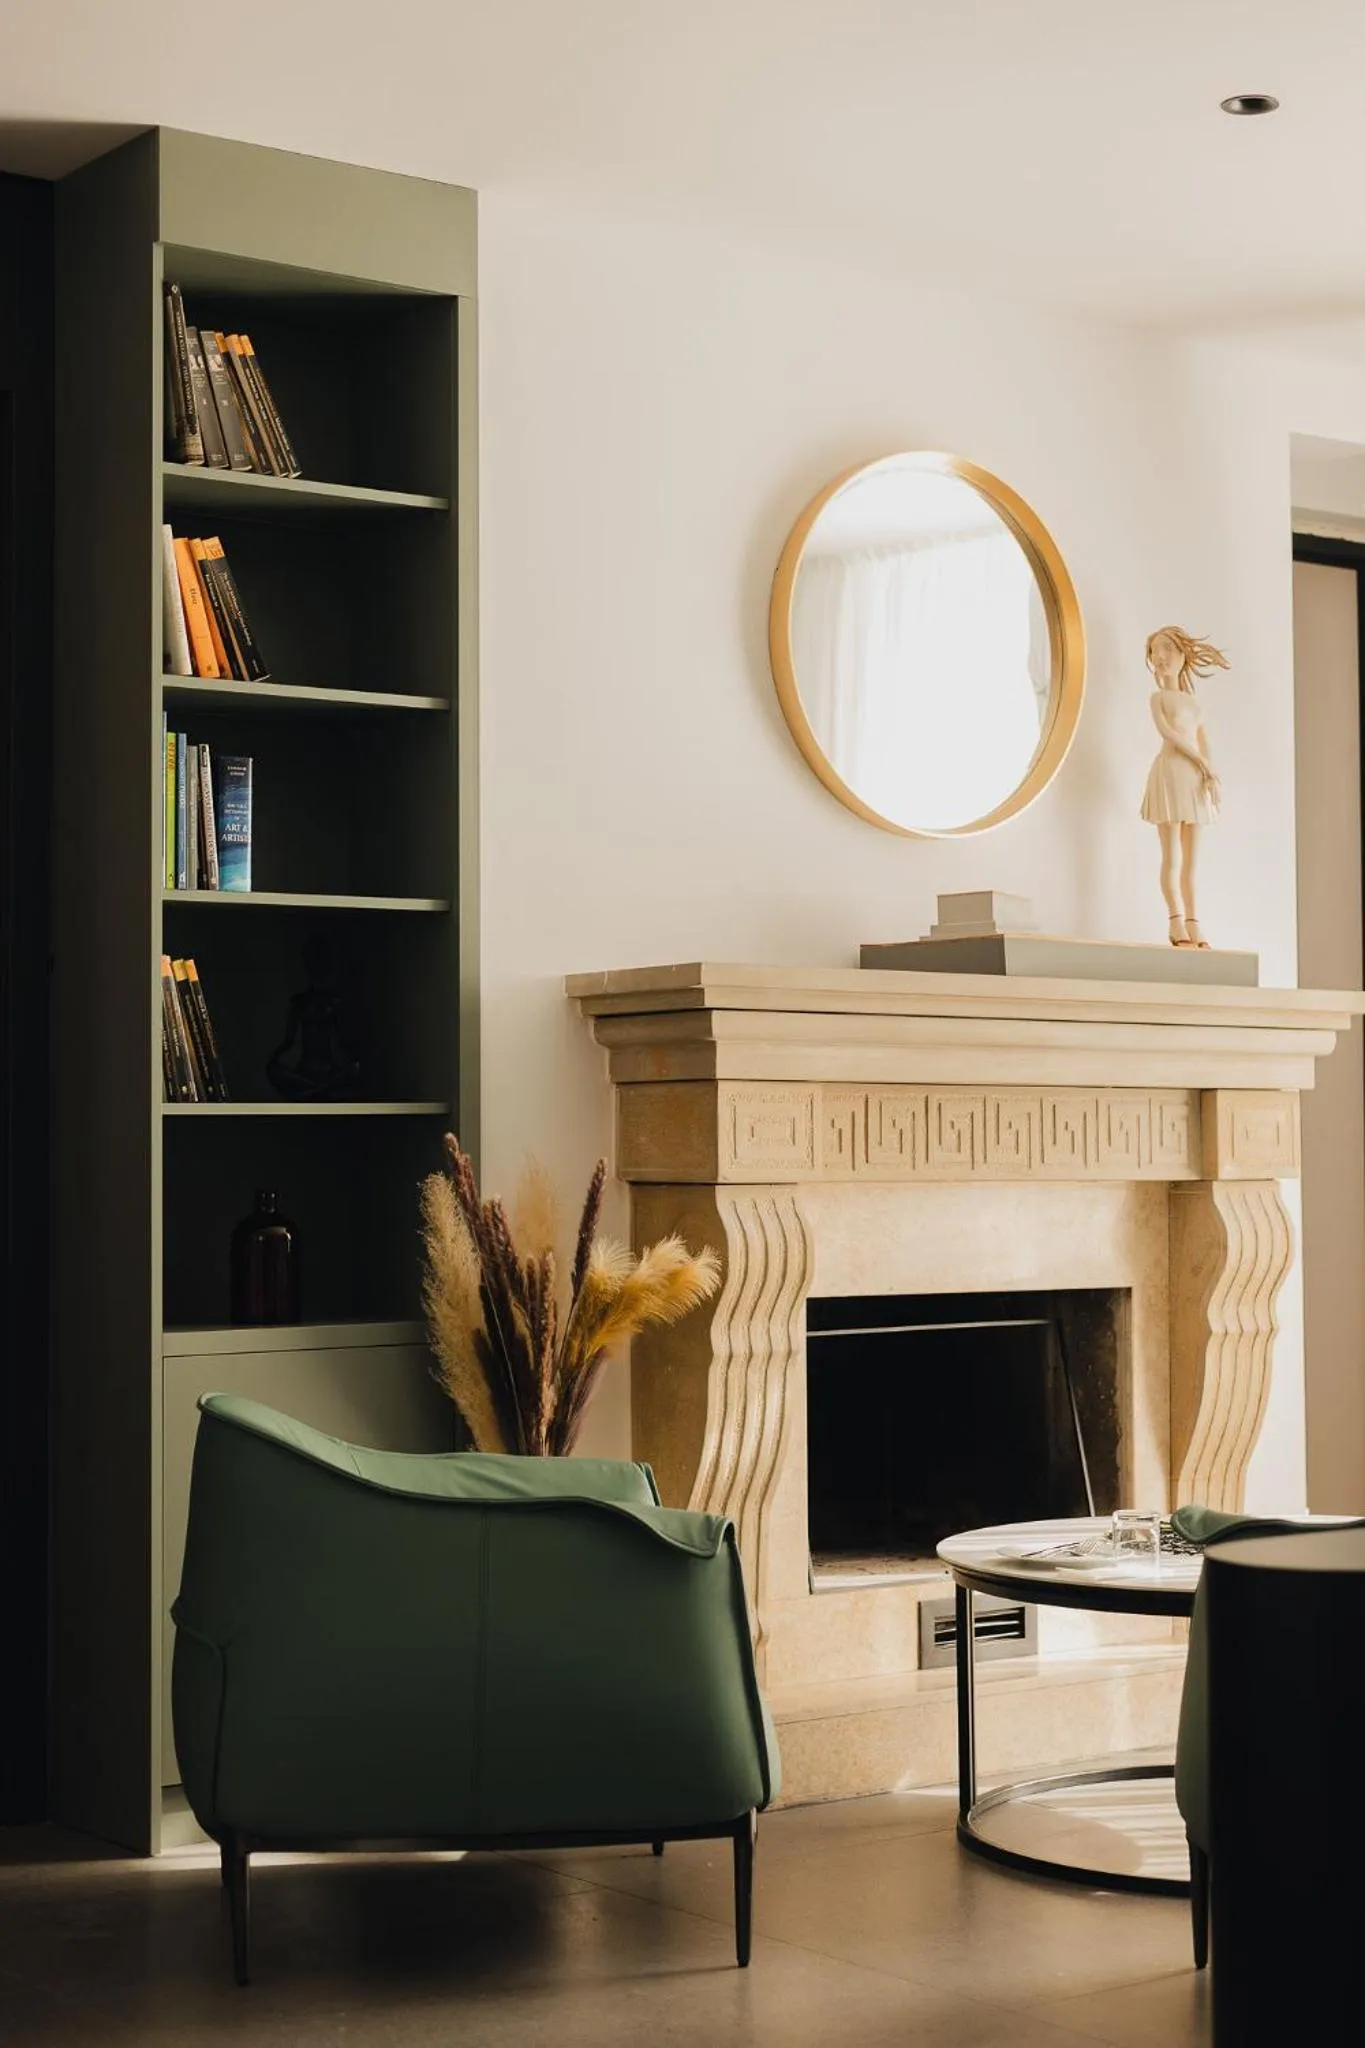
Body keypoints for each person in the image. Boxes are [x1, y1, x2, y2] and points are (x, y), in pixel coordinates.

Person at [1139, 625, 1229, 948]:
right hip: (1171, 775)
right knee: (1172, 855)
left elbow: (1204, 742)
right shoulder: (1157, 698)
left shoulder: (1192, 703)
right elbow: (1170, 736)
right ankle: (1176, 919)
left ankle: (1194, 921)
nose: (1161, 657)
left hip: (1193, 781)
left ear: (1182, 655)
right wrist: (1202, 763)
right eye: (1155, 651)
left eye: (1168, 649)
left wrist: (1210, 773)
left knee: (1192, 861)